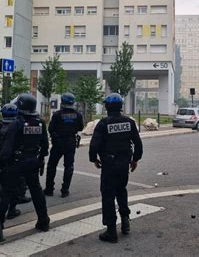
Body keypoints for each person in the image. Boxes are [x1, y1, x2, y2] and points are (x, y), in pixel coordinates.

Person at [0, 93, 50, 238]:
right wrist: (40, 159)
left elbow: (7, 149)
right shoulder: (40, 122)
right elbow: (45, 146)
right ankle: (44, 221)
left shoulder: (16, 123)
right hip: (33, 161)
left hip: (16, 163)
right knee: (36, 192)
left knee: (4, 194)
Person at [89, 93, 143, 243]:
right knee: (121, 191)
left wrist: (94, 159)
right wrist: (135, 160)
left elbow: (94, 145)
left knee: (108, 196)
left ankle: (111, 231)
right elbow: (138, 144)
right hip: (124, 164)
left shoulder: (103, 123)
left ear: (107, 107)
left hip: (109, 165)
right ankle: (125, 220)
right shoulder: (129, 122)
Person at [44, 93, 84, 198]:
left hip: (58, 142)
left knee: (52, 165)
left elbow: (51, 129)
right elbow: (80, 128)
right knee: (69, 166)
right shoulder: (78, 115)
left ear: (62, 102)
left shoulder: (57, 115)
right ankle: (65, 190)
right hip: (70, 142)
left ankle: (49, 189)